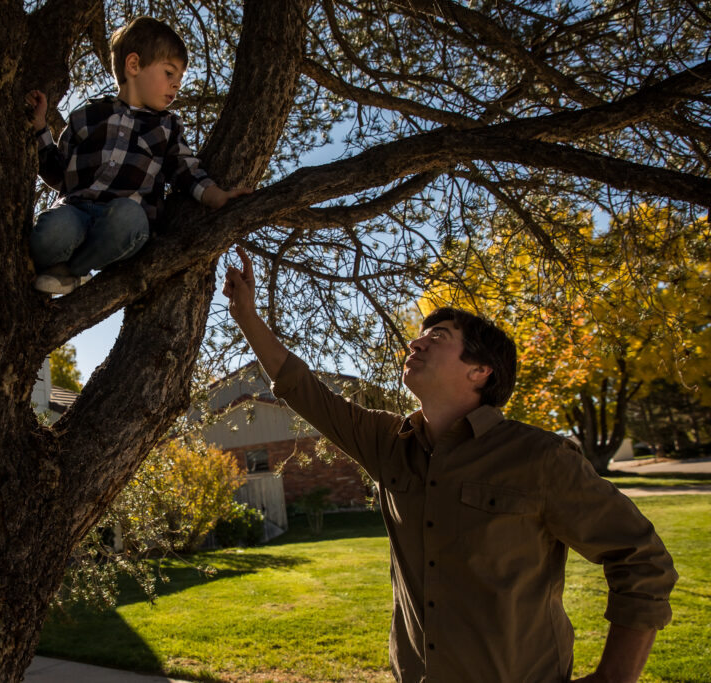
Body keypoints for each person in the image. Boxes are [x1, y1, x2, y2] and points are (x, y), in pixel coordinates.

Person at [222, 246, 677, 683]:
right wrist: (246, 316)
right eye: (421, 334)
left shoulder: (540, 458)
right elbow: (304, 389)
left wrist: (615, 677)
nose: (416, 342)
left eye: (438, 337)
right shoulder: (389, 445)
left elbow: (641, 558)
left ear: (481, 372)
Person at [26, 16, 250, 295]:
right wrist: (40, 130)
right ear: (134, 65)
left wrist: (216, 195)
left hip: (123, 223)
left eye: (180, 78)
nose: (176, 85)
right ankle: (52, 265)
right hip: (76, 210)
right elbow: (59, 174)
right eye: (169, 73)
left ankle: (74, 271)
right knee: (53, 229)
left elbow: (186, 168)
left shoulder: (166, 127)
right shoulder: (86, 117)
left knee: (128, 218)